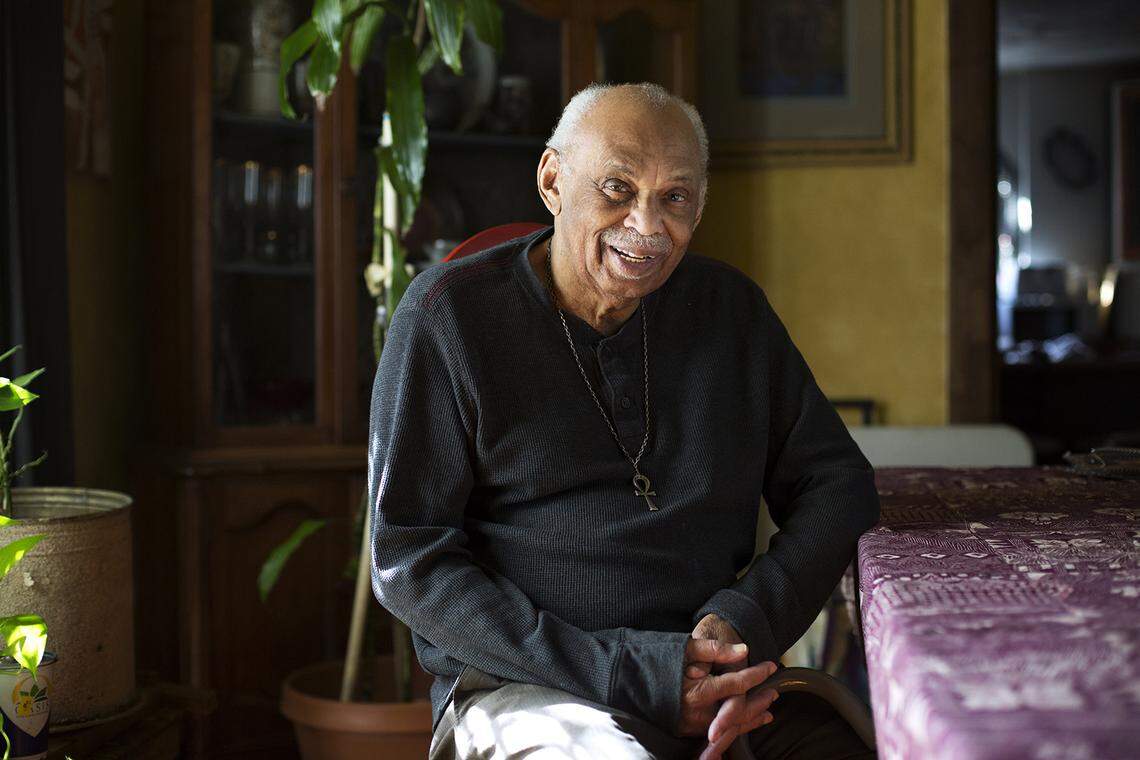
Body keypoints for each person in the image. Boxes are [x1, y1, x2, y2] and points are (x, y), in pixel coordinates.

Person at [368, 82, 880, 759]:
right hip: (535, 688)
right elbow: (408, 555)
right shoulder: (449, 318)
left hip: (717, 673)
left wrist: (741, 620)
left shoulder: (733, 314)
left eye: (675, 198)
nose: (647, 226)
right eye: (617, 187)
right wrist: (633, 673)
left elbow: (839, 486)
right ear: (553, 181)